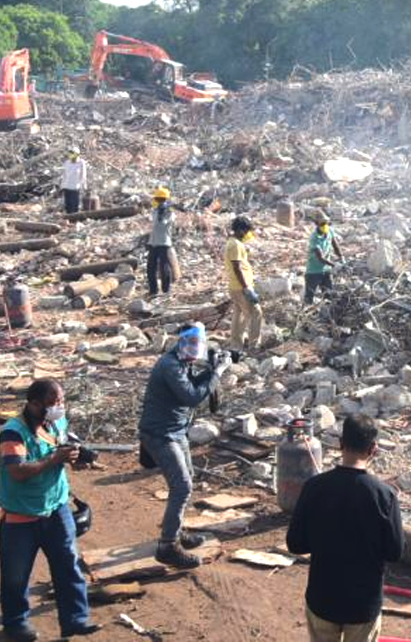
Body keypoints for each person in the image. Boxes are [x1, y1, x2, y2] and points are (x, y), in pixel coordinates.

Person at [0, 379, 98, 641]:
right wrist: (55, 459)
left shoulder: (56, 423)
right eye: (53, 403)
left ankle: (76, 619)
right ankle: (16, 623)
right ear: (34, 403)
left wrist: (73, 459)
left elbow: (61, 450)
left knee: (68, 565)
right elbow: (17, 471)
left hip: (56, 508)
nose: (59, 407)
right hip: (20, 515)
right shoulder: (13, 432)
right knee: (16, 576)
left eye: (61, 401)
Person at [286, 415, 404, 642]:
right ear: (373, 449)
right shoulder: (384, 495)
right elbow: (395, 551)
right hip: (363, 604)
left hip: (323, 598)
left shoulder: (314, 487)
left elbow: (295, 544)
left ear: (340, 443)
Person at [138, 324, 230, 569]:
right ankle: (167, 546)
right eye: (189, 343)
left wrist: (212, 369)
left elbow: (193, 387)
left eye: (197, 344)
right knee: (182, 485)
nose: (193, 349)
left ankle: (177, 531)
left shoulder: (182, 363)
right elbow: (191, 396)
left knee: (186, 479)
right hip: (160, 433)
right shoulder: (170, 366)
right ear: (179, 342)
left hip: (175, 430)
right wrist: (217, 373)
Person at [226, 215, 263, 348]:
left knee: (239, 314)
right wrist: (246, 287)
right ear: (241, 230)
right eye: (247, 230)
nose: (248, 234)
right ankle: (254, 345)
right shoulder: (235, 245)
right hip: (241, 287)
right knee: (255, 313)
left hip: (235, 286)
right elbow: (237, 267)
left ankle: (236, 344)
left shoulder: (232, 243)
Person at [304, 210, 343, 304]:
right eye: (322, 224)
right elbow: (320, 257)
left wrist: (341, 257)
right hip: (314, 271)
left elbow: (335, 245)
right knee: (309, 297)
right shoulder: (314, 238)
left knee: (328, 295)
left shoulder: (329, 231)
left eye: (326, 223)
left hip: (326, 270)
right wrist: (335, 265)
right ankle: (305, 315)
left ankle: (328, 314)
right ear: (316, 224)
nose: (325, 225)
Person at [147, 186, 175, 296]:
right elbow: (154, 225)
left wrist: (163, 212)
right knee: (150, 268)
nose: (158, 201)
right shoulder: (155, 211)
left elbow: (162, 224)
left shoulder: (169, 213)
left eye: (160, 199)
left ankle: (166, 290)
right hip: (153, 242)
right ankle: (153, 290)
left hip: (164, 243)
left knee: (164, 268)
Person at [61, 149, 88, 215]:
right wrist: (62, 185)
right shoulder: (67, 162)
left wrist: (84, 185)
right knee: (68, 204)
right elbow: (64, 174)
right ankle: (69, 217)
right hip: (67, 186)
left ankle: (74, 217)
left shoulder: (81, 162)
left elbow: (83, 174)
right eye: (70, 154)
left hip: (75, 187)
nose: (71, 156)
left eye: (73, 154)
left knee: (75, 203)